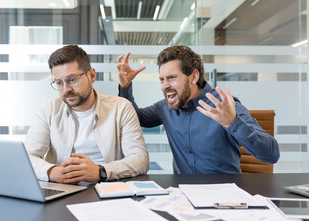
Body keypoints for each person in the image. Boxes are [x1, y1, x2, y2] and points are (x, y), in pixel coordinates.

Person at [117, 45, 280, 174]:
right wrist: (125, 87)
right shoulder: (164, 108)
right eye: (162, 80)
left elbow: (271, 154)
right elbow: (134, 118)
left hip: (224, 197)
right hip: (182, 199)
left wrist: (233, 123)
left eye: (171, 78)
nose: (165, 85)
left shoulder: (224, 106)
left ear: (194, 77)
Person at [25, 45, 149, 184]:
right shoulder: (49, 109)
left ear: (91, 75)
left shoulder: (121, 107)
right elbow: (28, 157)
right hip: (62, 190)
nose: (66, 90)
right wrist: (51, 171)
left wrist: (100, 171)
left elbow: (140, 159)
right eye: (59, 83)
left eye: (72, 79)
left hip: (108, 190)